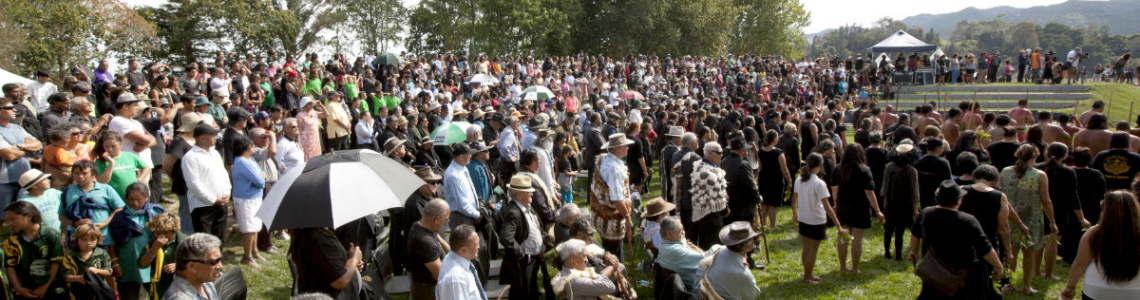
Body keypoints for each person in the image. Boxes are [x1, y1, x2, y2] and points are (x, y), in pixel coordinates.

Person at [908, 180, 1004, 299]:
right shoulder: (968, 220)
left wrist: (914, 251)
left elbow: (915, 233)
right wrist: (998, 266)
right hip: (959, 274)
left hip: (932, 269)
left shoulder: (926, 213)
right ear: (958, 200)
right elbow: (985, 247)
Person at [998, 144, 1057, 295]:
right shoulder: (1039, 175)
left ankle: (1009, 283)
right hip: (1032, 218)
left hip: (1010, 216)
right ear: (1035, 156)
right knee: (1028, 253)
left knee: (1010, 252)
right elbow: (1046, 200)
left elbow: (1001, 196)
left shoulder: (1005, 171)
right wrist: (1052, 221)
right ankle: (1026, 285)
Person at [1060, 191, 1140, 299]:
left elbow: (1080, 264)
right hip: (1135, 292)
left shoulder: (1094, 233)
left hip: (1096, 290)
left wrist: (1070, 287)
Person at [959, 165, 1015, 296]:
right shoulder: (999, 196)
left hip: (963, 242)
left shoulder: (961, 190)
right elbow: (1003, 228)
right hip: (989, 244)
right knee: (989, 285)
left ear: (975, 177)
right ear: (993, 181)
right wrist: (1008, 251)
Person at [1038, 142, 1091, 280]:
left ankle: (1036, 271)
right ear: (1066, 156)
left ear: (1046, 153)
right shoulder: (1068, 172)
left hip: (1039, 208)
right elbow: (1074, 197)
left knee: (1038, 242)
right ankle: (1049, 274)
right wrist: (1081, 218)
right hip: (1060, 210)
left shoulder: (1038, 169)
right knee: (1052, 242)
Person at [830, 143, 884, 273]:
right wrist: (878, 210)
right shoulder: (864, 170)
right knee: (857, 240)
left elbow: (834, 188)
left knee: (843, 237)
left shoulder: (838, 169)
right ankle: (855, 267)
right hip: (860, 207)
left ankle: (842, 266)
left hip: (843, 205)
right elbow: (869, 192)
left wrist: (836, 204)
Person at [793, 153, 846, 283]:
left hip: (804, 218)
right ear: (819, 166)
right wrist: (838, 225)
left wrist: (795, 213)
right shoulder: (819, 183)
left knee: (806, 248)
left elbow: (794, 199)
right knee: (812, 250)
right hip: (816, 220)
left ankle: (808, 274)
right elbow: (827, 207)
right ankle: (807, 277)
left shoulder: (799, 179)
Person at [107, 183, 165, 300]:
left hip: (153, 264)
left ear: (146, 197)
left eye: (139, 199)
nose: (135, 203)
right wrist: (115, 263)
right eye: (131, 199)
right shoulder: (119, 217)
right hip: (127, 266)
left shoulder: (157, 213)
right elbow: (111, 242)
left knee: (159, 295)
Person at [4, 201, 65, 299]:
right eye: (8, 220)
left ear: (29, 216)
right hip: (26, 289)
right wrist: (19, 289)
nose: (10, 223)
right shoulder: (12, 241)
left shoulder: (51, 235)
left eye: (13, 219)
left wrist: (44, 287)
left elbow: (56, 262)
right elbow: (10, 267)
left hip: (51, 287)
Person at [181, 124, 231, 240]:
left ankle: (217, 258)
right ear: (202, 138)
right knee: (204, 241)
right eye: (212, 135)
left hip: (221, 203)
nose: (216, 137)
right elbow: (193, 183)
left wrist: (227, 192)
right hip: (202, 207)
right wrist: (213, 199)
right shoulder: (190, 157)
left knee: (219, 239)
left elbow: (223, 174)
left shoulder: (215, 153)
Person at [499, 174, 544, 300]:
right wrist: (520, 253)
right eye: (529, 192)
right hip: (523, 263)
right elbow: (506, 237)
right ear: (519, 195)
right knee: (522, 293)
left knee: (531, 291)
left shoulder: (526, 207)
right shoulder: (513, 212)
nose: (532, 194)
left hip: (532, 260)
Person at [590, 133, 634, 258]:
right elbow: (617, 199)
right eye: (626, 146)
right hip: (611, 220)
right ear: (619, 148)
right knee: (615, 255)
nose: (628, 148)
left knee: (609, 249)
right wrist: (628, 218)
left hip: (603, 215)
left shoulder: (605, 158)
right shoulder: (614, 169)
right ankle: (616, 275)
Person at [0, 96, 42, 224]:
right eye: (9, 108)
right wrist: (28, 149)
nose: (14, 110)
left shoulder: (17, 128)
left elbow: (39, 144)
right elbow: (8, 155)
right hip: (4, 182)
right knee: (2, 217)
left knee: (25, 214)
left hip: (24, 179)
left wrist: (20, 146)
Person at [694, 221, 762, 300]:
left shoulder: (715, 249)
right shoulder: (742, 274)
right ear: (747, 246)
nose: (756, 241)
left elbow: (699, 275)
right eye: (754, 239)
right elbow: (753, 295)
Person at [164, 113, 203, 234]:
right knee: (186, 211)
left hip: (195, 182)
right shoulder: (178, 141)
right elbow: (167, 164)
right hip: (183, 183)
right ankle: (186, 235)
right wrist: (173, 177)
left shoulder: (194, 139)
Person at [231, 135, 266, 268]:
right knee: (249, 228)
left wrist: (260, 176)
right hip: (246, 199)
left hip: (255, 197)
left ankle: (254, 251)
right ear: (245, 147)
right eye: (251, 145)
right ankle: (247, 256)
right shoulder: (242, 162)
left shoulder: (250, 159)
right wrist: (260, 177)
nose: (253, 147)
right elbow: (260, 181)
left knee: (255, 226)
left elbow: (261, 173)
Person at [408, 199, 450, 300]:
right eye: (445, 220)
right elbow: (440, 276)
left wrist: (453, 252)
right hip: (428, 292)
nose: (445, 224)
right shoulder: (425, 242)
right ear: (437, 218)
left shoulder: (421, 225)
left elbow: (438, 237)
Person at [690, 141, 728, 250]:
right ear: (710, 153)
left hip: (704, 216)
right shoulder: (708, 171)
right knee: (712, 247)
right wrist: (725, 210)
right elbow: (717, 195)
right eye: (719, 152)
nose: (721, 155)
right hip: (711, 217)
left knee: (707, 245)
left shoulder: (701, 166)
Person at [552, 239, 620, 300]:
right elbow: (610, 286)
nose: (586, 260)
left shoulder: (570, 271)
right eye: (584, 256)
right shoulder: (574, 281)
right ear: (573, 258)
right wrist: (611, 267)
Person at [139, 213, 186, 299]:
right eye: (157, 233)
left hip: (181, 287)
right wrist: (154, 248)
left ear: (174, 230)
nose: (161, 236)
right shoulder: (152, 243)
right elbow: (142, 264)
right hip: (159, 288)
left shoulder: (185, 242)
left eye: (164, 233)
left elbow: (195, 263)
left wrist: (178, 266)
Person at [60, 224, 114, 300]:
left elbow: (108, 272)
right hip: (75, 293)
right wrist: (80, 278)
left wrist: (96, 270)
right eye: (84, 239)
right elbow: (65, 277)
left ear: (98, 239)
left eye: (92, 240)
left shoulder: (102, 254)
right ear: (77, 239)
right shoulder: (69, 256)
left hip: (97, 292)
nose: (88, 243)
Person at [162, 233, 222, 300]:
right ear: (192, 266)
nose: (220, 266)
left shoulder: (206, 282)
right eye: (213, 262)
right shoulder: (179, 298)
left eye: (219, 260)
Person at [93, 131, 151, 199]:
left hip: (132, 197)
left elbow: (146, 167)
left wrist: (140, 179)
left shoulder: (129, 156)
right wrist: (111, 163)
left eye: (113, 146)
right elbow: (102, 181)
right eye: (107, 146)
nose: (110, 149)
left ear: (121, 144)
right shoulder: (100, 161)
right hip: (114, 198)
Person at [435, 225, 487, 300]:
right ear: (463, 249)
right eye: (476, 244)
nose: (479, 246)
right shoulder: (455, 280)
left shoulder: (457, 258)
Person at [755, 131, 791, 228]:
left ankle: (763, 223)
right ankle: (773, 225)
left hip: (763, 179)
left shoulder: (760, 152)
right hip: (775, 179)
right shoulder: (778, 152)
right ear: (774, 138)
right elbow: (784, 169)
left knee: (764, 203)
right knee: (773, 204)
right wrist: (789, 181)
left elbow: (760, 167)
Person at [17, 168, 61, 233]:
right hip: (37, 236)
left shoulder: (54, 193)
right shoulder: (24, 203)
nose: (48, 180)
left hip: (56, 233)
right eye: (44, 179)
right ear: (34, 185)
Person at [916, 138, 952, 208]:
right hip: (937, 196)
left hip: (922, 194)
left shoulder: (919, 160)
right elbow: (948, 181)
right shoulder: (943, 163)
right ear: (938, 148)